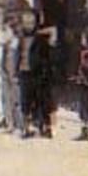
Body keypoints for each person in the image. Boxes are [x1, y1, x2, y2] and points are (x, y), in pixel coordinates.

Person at [16, 9, 56, 139]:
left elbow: (47, 56)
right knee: (25, 101)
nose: (28, 25)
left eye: (31, 22)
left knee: (42, 101)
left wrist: (45, 71)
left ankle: (45, 127)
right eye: (26, 22)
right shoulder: (20, 38)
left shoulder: (40, 39)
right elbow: (18, 55)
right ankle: (25, 127)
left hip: (38, 74)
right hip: (24, 72)